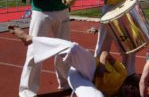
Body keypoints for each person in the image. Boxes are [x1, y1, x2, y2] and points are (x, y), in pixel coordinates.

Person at [8, 26, 140, 97]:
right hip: (92, 67)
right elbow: (105, 53)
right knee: (73, 48)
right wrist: (101, 65)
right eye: (133, 89)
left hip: (79, 77)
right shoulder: (122, 73)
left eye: (131, 94)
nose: (130, 90)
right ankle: (30, 39)